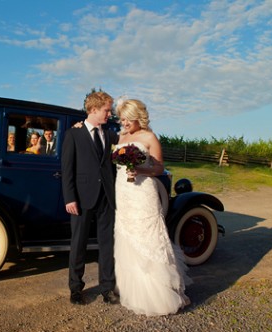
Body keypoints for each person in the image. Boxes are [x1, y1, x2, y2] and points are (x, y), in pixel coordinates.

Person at [113, 98, 191, 316]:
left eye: (128, 118)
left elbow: (158, 168)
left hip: (142, 191)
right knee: (126, 235)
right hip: (123, 190)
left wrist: (140, 170)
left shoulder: (149, 137)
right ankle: (132, 289)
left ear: (139, 117)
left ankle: (160, 292)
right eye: (122, 118)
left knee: (149, 236)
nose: (124, 122)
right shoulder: (120, 136)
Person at [61, 90, 119, 305]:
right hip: (81, 199)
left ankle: (107, 288)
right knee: (78, 244)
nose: (109, 114)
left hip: (106, 198)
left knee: (107, 245)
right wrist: (69, 198)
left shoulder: (110, 133)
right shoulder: (73, 134)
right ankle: (76, 289)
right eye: (106, 110)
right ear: (94, 110)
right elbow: (67, 170)